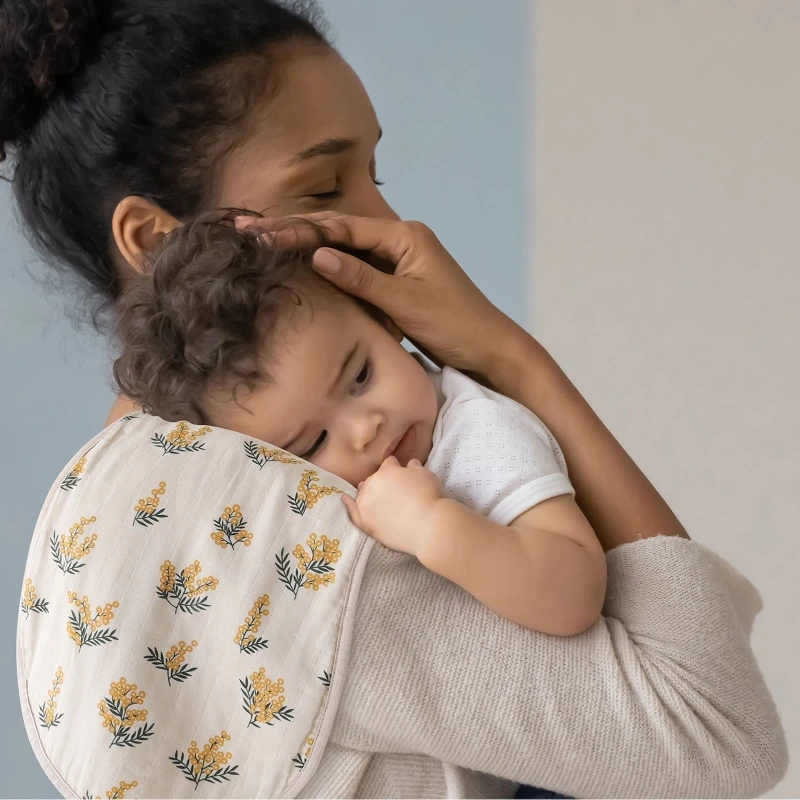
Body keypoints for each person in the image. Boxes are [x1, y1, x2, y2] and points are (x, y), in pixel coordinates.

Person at [1, 0, 787, 797]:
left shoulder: (90, 514)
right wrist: (509, 359)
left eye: (374, 176)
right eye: (321, 186)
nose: (388, 224)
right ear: (156, 242)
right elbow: (719, 737)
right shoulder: (296, 520)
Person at [112, 210, 608, 639]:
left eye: (361, 376)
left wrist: (433, 527)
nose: (365, 429)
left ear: (385, 321)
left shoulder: (477, 434)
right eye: (314, 443)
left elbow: (576, 589)